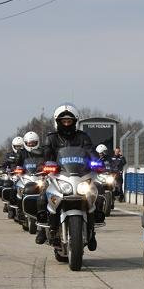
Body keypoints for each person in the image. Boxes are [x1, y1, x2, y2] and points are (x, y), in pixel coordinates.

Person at [36, 104, 98, 248]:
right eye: (63, 121)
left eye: (69, 121)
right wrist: (44, 165)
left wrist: (97, 163)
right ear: (58, 122)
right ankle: (42, 229)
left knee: (97, 192)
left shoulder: (83, 137)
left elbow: (90, 152)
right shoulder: (51, 139)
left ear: (74, 122)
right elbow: (46, 155)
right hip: (58, 175)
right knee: (42, 194)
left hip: (80, 175)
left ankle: (92, 231)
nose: (66, 123)